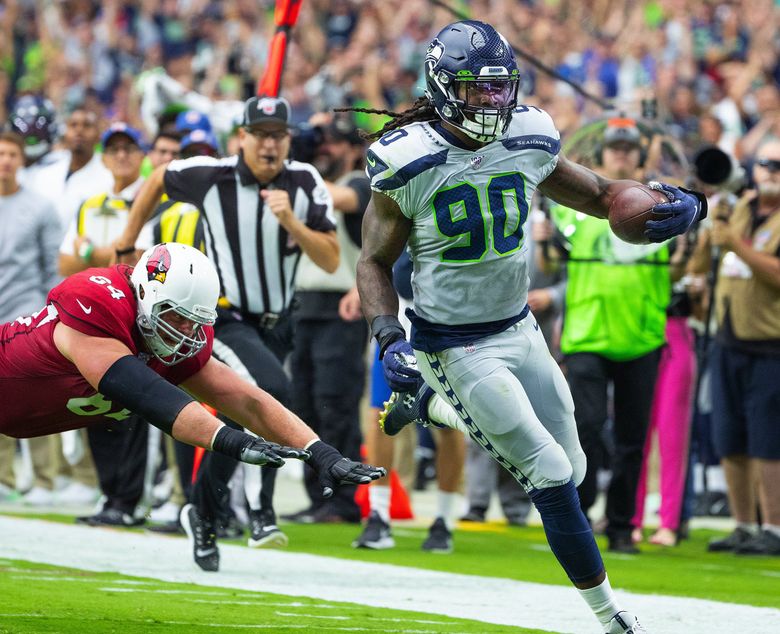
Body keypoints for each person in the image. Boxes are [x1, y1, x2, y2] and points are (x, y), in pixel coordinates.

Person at [355, 21, 704, 634]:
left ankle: (431, 409)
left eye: (499, 89)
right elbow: (374, 261)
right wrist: (389, 335)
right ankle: (611, 616)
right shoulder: (407, 160)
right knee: (545, 469)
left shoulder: (529, 134)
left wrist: (679, 203)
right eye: (476, 89)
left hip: (519, 328)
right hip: (452, 341)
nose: (492, 102)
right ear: (441, 86)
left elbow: (601, 195)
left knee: (573, 464)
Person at [0, 243, 384, 569]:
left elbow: (248, 400)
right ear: (147, 298)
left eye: (194, 322)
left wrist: (321, 454)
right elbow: (151, 398)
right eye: (177, 318)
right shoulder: (98, 301)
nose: (185, 333)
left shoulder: (173, 338)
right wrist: (234, 442)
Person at [112, 95, 340, 569]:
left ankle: (204, 511)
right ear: (242, 138)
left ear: (288, 140)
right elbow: (156, 178)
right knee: (272, 390)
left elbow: (331, 258)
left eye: (278, 135)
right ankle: (261, 512)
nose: (269, 144)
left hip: (281, 322)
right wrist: (125, 242)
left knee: (242, 412)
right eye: (260, 134)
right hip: (227, 317)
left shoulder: (304, 182)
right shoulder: (211, 175)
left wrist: (291, 221)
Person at [547, 119, 673, 554]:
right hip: (587, 334)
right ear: (602, 157)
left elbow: (686, 262)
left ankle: (621, 526)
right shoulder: (575, 205)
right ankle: (579, 515)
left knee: (632, 439)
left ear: (640, 157)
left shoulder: (663, 206)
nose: (620, 155)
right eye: (614, 150)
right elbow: (549, 229)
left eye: (628, 150)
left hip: (643, 335)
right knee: (583, 426)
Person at [284, 114, 370, 524]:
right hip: (302, 306)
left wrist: (292, 166)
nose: (324, 150)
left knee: (335, 403)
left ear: (353, 149)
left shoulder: (359, 183)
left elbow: (339, 199)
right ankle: (318, 497)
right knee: (303, 406)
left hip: (341, 307)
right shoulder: (306, 185)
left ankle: (343, 500)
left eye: (333, 143)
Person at [696, 140, 780, 557]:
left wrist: (736, 245)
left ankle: (776, 529)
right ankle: (744, 525)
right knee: (730, 434)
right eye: (765, 164)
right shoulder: (744, 208)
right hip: (728, 336)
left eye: (777, 165)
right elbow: (709, 258)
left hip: (771, 343)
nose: (770, 171)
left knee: (769, 439)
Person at [0, 130, 61, 503]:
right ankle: (4, 479)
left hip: (26, 315)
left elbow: (52, 266)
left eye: (11, 154)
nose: (5, 160)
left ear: (21, 160)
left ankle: (45, 480)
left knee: (34, 398)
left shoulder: (41, 207)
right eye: (0, 154)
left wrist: (49, 316)